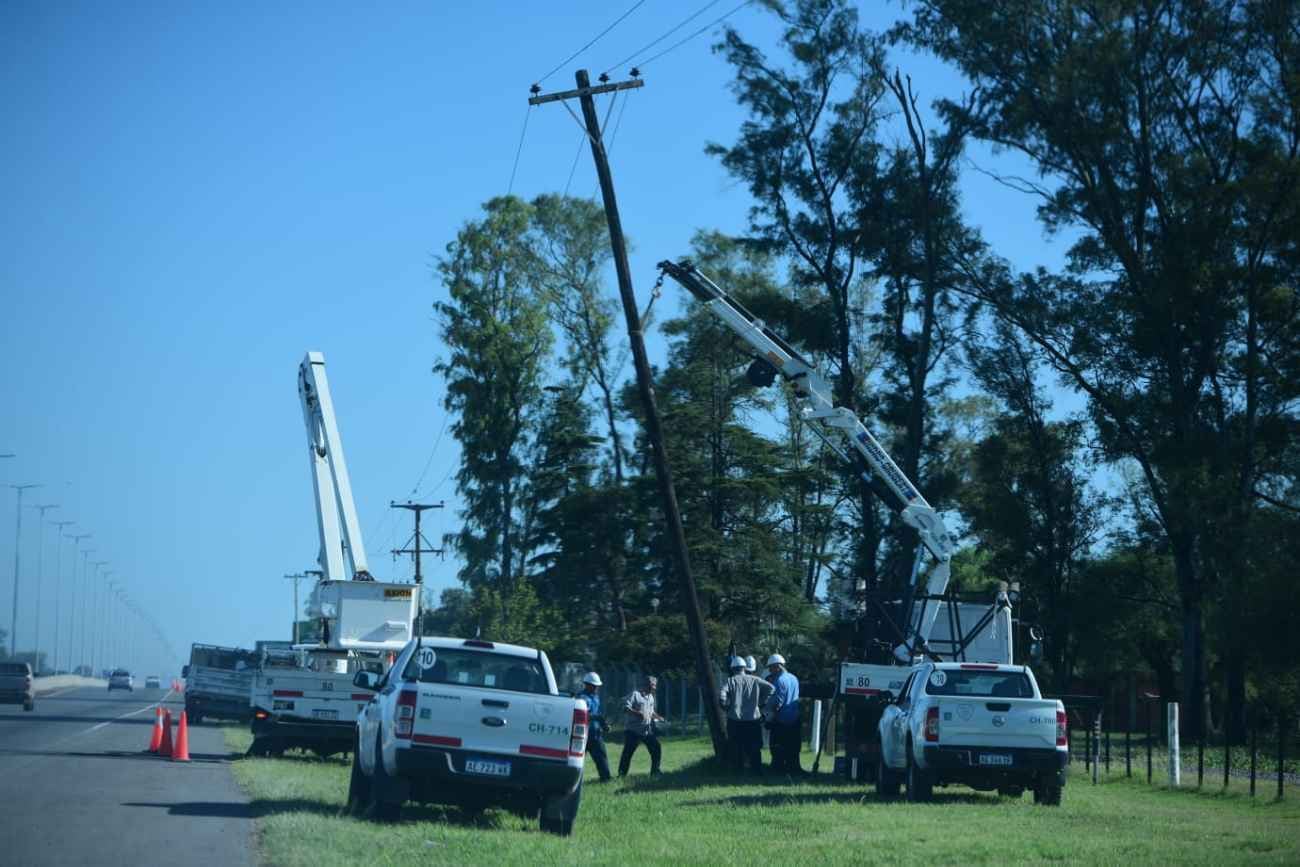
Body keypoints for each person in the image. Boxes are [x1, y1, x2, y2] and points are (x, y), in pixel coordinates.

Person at [719, 655, 774, 775]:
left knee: (736, 746)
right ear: (744, 668)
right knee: (754, 746)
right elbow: (771, 688)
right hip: (753, 719)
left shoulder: (730, 681)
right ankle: (757, 770)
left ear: (733, 669)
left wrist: (725, 707)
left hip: (735, 719)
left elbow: (722, 695)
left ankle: (738, 770)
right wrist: (761, 702)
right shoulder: (755, 680)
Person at [618, 675, 665, 777]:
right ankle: (621, 775)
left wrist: (658, 717)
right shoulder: (635, 695)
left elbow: (651, 712)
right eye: (654, 685)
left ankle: (655, 771)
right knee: (628, 754)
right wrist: (637, 713)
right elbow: (625, 708)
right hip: (633, 731)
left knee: (656, 748)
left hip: (646, 731)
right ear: (648, 685)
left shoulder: (651, 697)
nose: (655, 688)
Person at [765, 653, 803, 775]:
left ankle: (778, 769)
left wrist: (770, 719)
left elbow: (778, 703)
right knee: (793, 747)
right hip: (795, 718)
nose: (770, 671)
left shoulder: (779, 681)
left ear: (777, 666)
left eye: (770, 668)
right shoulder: (794, 678)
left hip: (781, 720)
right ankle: (794, 769)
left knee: (777, 746)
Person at [579, 672, 611, 781]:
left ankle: (605, 780)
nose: (596, 688)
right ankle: (575, 781)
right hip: (583, 734)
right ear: (587, 685)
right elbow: (584, 715)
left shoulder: (595, 697)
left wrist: (603, 725)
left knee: (602, 758)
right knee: (578, 761)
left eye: (597, 686)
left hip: (596, 734)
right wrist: (599, 718)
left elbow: (597, 713)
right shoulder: (582, 698)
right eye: (594, 685)